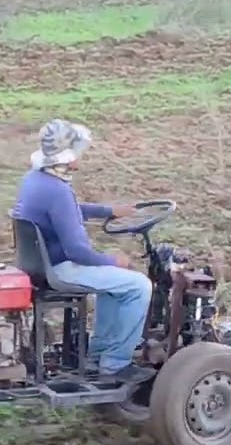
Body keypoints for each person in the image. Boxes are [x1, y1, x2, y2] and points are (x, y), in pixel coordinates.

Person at [11, 119, 153, 384]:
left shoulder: (36, 180)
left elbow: (69, 210)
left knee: (115, 285)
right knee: (138, 286)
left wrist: (109, 211)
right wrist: (112, 260)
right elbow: (77, 251)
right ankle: (116, 363)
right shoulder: (58, 191)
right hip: (61, 269)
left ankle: (99, 353)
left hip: (39, 264)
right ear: (67, 156)